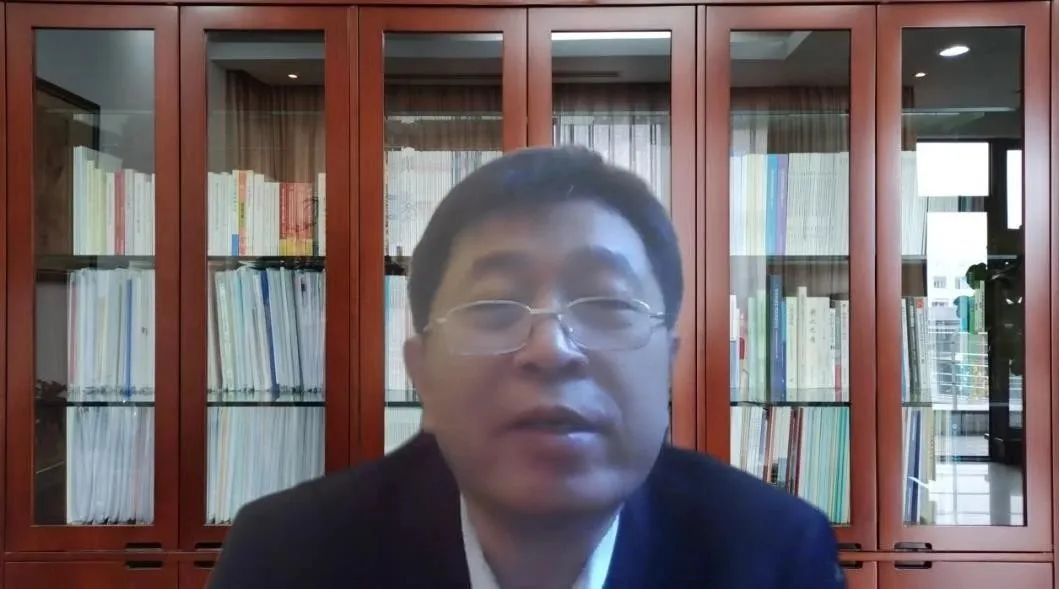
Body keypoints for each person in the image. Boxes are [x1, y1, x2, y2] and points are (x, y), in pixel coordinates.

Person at [209, 146, 845, 589]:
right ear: (421, 372)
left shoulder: (774, 556)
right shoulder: (288, 558)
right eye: (492, 306)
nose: (551, 349)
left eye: (606, 305)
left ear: (668, 366)